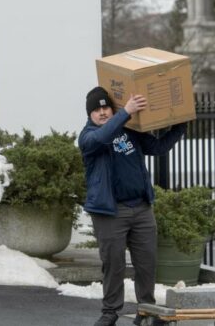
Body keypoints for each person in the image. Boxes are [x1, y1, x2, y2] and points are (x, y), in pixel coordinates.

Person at [78, 86, 187, 326]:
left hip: (141, 208)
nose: (103, 112)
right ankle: (110, 313)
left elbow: (157, 148)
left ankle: (146, 310)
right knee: (114, 265)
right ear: (89, 114)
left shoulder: (128, 131)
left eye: (106, 107)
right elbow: (103, 136)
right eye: (97, 109)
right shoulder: (88, 137)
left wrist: (180, 125)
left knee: (147, 263)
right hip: (110, 212)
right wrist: (125, 112)